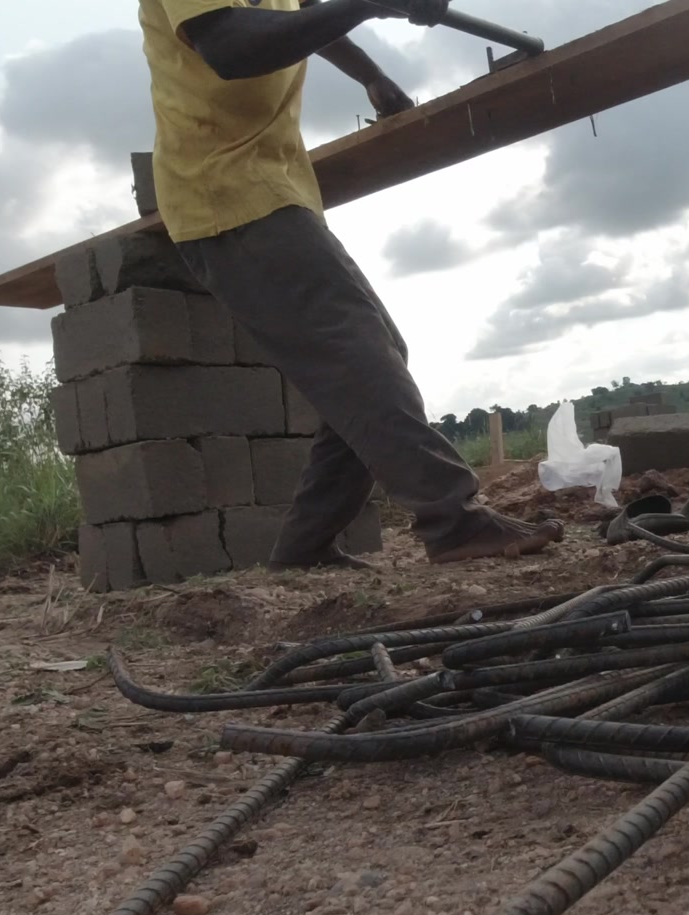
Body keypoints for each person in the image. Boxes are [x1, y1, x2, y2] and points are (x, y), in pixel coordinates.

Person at [137, 0, 564, 566]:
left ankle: (305, 547)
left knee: (368, 358)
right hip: (226, 193)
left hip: (271, 185)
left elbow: (308, 12)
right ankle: (451, 520)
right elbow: (232, 45)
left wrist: (371, 74)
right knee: (359, 354)